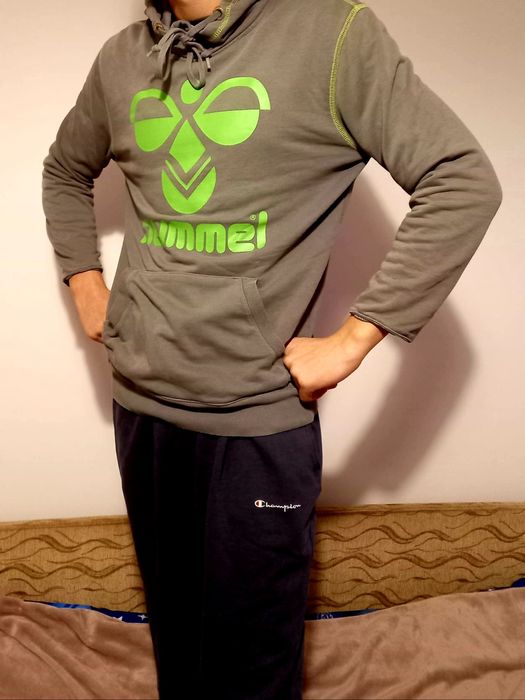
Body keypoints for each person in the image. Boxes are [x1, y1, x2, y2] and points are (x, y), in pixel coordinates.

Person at [42, 1, 502, 698]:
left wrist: (354, 338)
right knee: (178, 641)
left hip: (256, 424)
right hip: (141, 405)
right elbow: (64, 169)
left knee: (253, 664)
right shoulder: (122, 58)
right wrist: (84, 279)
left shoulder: (332, 34)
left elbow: (461, 179)